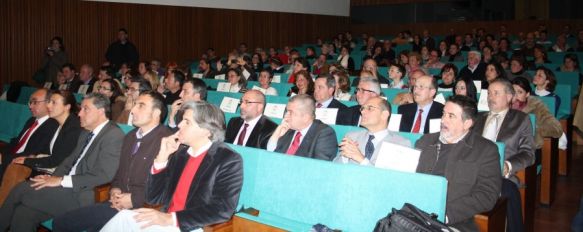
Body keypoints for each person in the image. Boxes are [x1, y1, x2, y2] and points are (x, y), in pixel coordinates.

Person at [100, 101, 243, 231]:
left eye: (187, 122)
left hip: (190, 226)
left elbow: (222, 209)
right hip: (164, 220)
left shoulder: (227, 159)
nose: (179, 125)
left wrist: (171, 219)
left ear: (206, 130)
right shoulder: (180, 154)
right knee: (123, 217)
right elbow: (153, 198)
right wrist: (161, 158)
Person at [0, 93, 124, 231]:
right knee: (23, 213)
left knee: (21, 189)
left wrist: (61, 181)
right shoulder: (86, 132)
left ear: (101, 112)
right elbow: (68, 161)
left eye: (85, 109)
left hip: (83, 195)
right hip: (65, 189)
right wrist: (52, 178)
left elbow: (104, 175)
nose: (79, 114)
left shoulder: (113, 135)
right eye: (80, 109)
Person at [52, 91, 172, 231]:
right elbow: (118, 172)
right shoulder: (130, 136)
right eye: (134, 105)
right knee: (64, 222)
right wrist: (115, 189)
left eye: (140, 106)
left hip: (144, 208)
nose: (132, 110)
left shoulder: (167, 141)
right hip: (116, 203)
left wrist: (134, 199)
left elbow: (166, 186)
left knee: (63, 223)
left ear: (156, 113)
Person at [416, 95, 502, 231]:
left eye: (451, 116)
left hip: (454, 220)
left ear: (467, 123)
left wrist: (446, 214)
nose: (443, 120)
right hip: (415, 213)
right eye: (443, 114)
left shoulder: (485, 150)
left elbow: (487, 194)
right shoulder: (425, 141)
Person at [473, 78, 535, 232]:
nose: (490, 97)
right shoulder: (477, 118)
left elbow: (528, 153)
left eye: (496, 93)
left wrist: (508, 165)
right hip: (472, 170)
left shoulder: (521, 119)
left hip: (501, 174)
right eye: (489, 93)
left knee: (507, 190)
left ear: (509, 97)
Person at [0, 90, 81, 204]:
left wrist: (25, 159)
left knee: (15, 178)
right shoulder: (49, 122)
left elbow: (56, 159)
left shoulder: (65, 126)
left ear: (67, 107)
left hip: (53, 171)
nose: (48, 105)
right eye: (49, 102)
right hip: (42, 163)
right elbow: (18, 142)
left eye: (53, 102)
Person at [0, 89, 59, 184]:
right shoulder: (32, 120)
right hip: (14, 157)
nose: (30, 106)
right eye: (30, 102)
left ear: (49, 103)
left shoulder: (52, 125)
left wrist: (3, 158)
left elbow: (32, 154)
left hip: (26, 165)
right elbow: (17, 143)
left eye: (35, 102)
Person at [335, 97, 412, 165]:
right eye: (362, 108)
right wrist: (345, 157)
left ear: (384, 115)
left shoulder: (401, 144)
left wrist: (361, 159)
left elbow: (393, 179)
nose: (362, 112)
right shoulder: (351, 137)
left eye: (369, 108)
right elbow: (334, 168)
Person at [267, 94, 338, 160]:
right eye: (286, 111)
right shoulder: (288, 128)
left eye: (290, 112)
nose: (286, 116)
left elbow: (319, 166)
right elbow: (270, 155)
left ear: (306, 118)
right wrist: (277, 134)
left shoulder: (325, 134)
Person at [511, 77, 563, 149]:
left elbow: (557, 128)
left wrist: (535, 129)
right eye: (513, 92)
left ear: (527, 94)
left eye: (520, 92)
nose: (515, 96)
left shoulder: (537, 107)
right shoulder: (503, 106)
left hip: (528, 149)